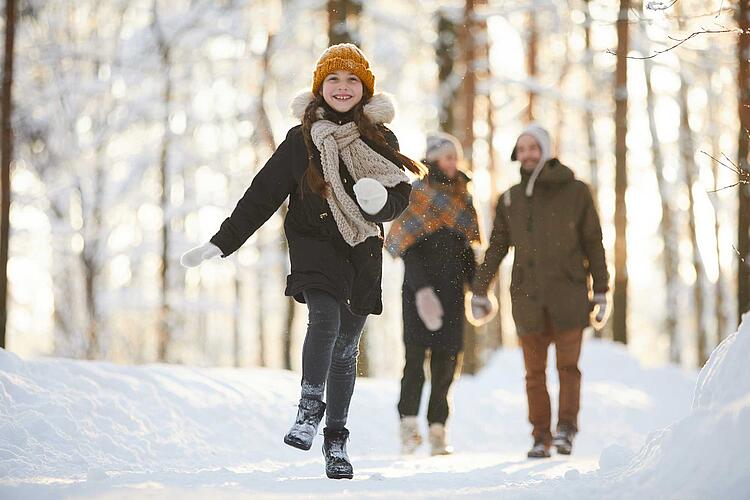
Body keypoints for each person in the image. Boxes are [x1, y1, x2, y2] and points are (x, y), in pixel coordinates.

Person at [180, 43, 425, 479]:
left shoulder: (381, 139)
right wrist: (222, 242)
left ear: (365, 90)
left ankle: (336, 440)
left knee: (347, 348)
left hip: (362, 251)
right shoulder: (301, 141)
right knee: (325, 317)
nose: (343, 87)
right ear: (319, 88)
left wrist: (380, 203)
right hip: (315, 247)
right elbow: (261, 196)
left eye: (352, 80)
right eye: (333, 79)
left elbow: (398, 198)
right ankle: (310, 406)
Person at [470, 123, 609, 459]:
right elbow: (497, 247)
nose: (528, 153)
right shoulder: (510, 199)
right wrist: (479, 289)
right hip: (528, 298)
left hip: (570, 296)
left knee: (567, 369)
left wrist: (601, 290)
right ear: (517, 154)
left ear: (545, 151)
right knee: (533, 373)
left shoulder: (576, 191)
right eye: (523, 148)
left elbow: (594, 242)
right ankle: (540, 436)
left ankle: (566, 431)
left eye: (535, 147)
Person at [385, 132, 481, 456]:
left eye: (456, 157)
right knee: (414, 363)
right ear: (433, 160)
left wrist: (479, 290)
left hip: (454, 294)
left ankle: (438, 430)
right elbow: (406, 249)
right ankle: (408, 428)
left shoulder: (463, 197)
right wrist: (423, 291)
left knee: (446, 365)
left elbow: (468, 252)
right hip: (418, 292)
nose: (453, 163)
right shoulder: (417, 194)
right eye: (447, 157)